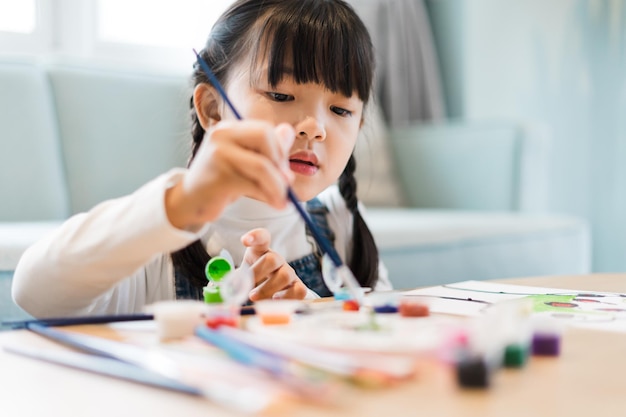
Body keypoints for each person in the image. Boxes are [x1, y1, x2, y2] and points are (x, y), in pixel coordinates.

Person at [12, 0, 392, 317]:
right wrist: (181, 204)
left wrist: (310, 312)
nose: (315, 128)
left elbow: (380, 343)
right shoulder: (156, 241)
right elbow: (33, 293)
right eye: (280, 96)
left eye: (341, 110)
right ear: (213, 109)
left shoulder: (342, 228)